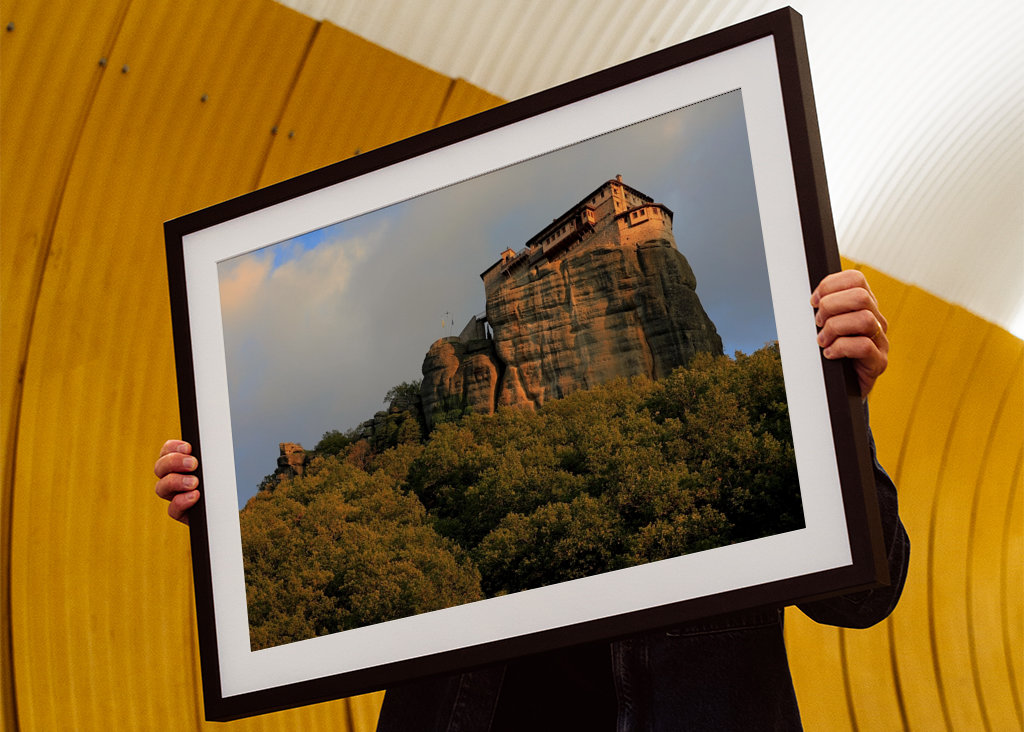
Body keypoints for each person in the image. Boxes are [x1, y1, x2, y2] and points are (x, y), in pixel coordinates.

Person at [154, 270, 908, 730]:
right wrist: (232, 530)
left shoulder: (731, 434)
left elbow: (865, 595)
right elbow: (327, 610)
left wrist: (837, 406)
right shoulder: (438, 481)